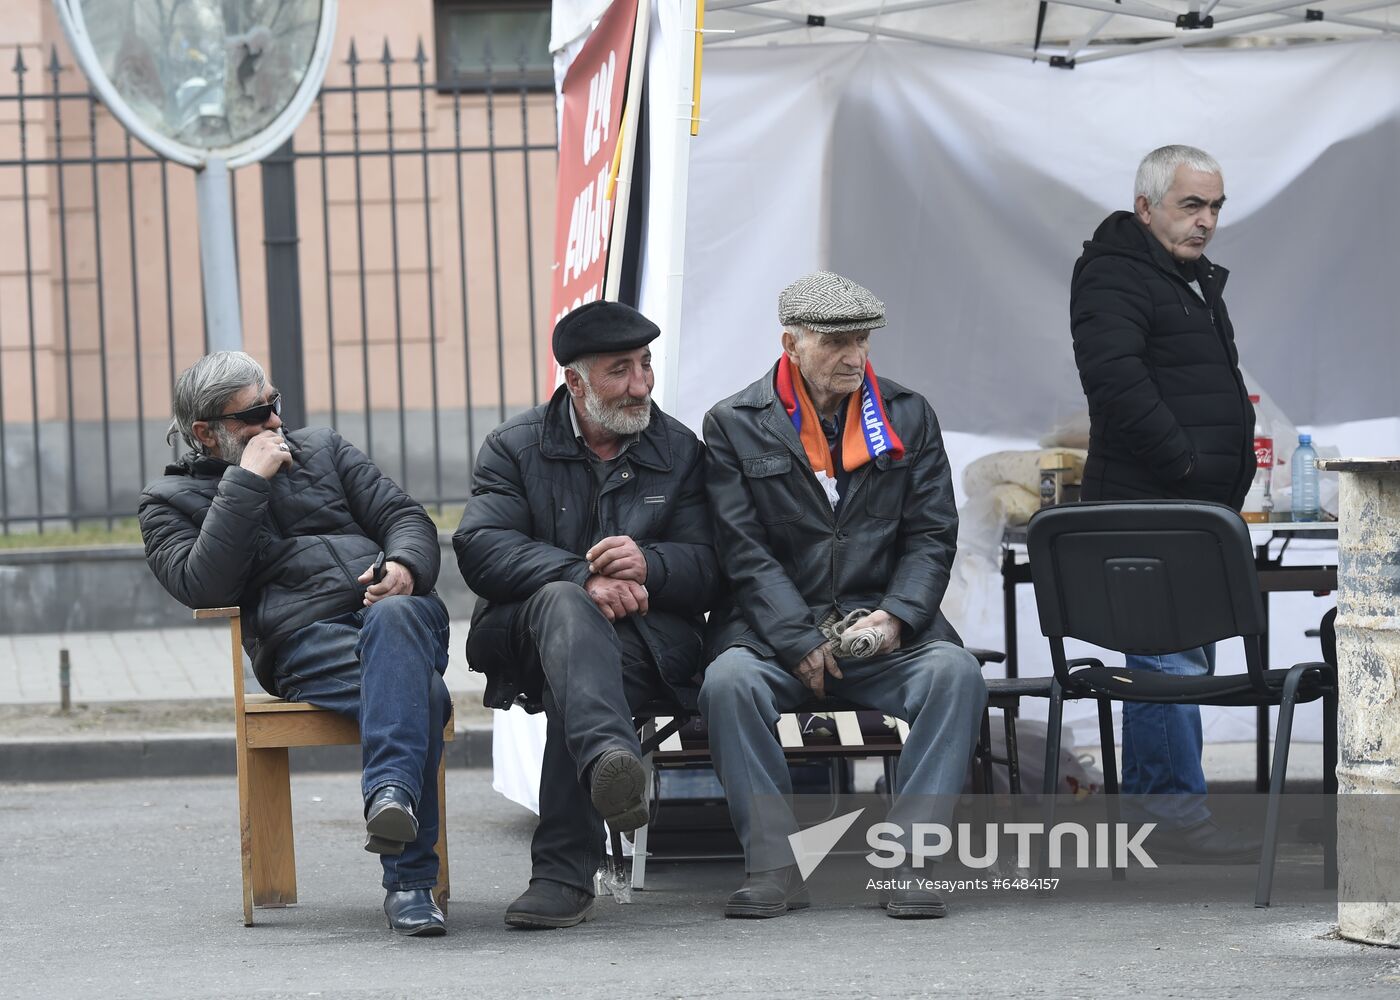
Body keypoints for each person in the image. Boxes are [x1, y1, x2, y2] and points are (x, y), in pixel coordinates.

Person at [699, 271, 987, 920]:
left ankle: (910, 861)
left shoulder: (907, 414)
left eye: (861, 340)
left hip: (880, 630)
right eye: (835, 343)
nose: (854, 357)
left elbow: (933, 534)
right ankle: (774, 866)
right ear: (791, 343)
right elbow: (742, 550)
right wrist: (798, 640)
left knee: (954, 674)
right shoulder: (735, 423)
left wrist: (898, 617)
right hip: (774, 631)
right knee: (728, 684)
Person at [139, 352, 452, 937]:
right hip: (307, 646)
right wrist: (245, 482)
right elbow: (202, 585)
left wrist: (405, 565)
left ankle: (393, 809)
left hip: (398, 615)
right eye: (254, 416)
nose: (275, 424)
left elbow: (405, 516)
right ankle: (409, 881)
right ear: (206, 433)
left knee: (398, 625)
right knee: (423, 695)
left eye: (274, 404)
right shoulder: (168, 502)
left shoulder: (327, 450)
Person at [455, 300, 718, 929]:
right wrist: (581, 576)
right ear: (575, 382)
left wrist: (650, 567)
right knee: (564, 604)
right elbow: (480, 547)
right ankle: (608, 762)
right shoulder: (514, 448)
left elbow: (713, 564)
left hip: (647, 643)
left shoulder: (680, 451)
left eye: (646, 366)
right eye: (620, 371)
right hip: (527, 638)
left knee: (584, 680)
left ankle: (562, 872)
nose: (641, 385)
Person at [1070, 144, 1258, 859]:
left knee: (1179, 663)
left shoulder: (1187, 278)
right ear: (1146, 208)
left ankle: (1167, 812)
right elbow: (1114, 383)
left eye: (1215, 207)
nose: (1207, 221)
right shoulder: (1116, 274)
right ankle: (1170, 819)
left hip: (1191, 512)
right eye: (1191, 205)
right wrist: (1185, 464)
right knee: (1170, 666)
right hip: (1154, 507)